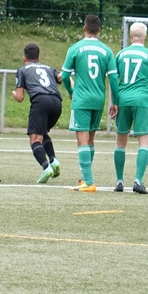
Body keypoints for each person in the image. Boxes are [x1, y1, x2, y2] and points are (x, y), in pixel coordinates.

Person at [62, 14, 119, 192]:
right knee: (91, 140)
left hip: (81, 99)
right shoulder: (107, 51)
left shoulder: (75, 48)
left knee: (82, 139)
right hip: (98, 100)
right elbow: (114, 79)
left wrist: (71, 92)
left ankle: (88, 181)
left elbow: (64, 75)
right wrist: (115, 102)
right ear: (99, 30)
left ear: (84, 29)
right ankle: (84, 178)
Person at [112, 22, 148, 194]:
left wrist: (115, 102)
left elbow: (114, 81)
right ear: (145, 36)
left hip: (123, 99)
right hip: (141, 101)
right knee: (143, 142)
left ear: (130, 36)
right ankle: (138, 180)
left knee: (120, 142)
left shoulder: (121, 55)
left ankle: (119, 181)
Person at [13, 43, 64, 184]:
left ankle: (46, 167)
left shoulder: (22, 70)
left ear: (24, 58)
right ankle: (53, 160)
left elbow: (20, 97)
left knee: (35, 138)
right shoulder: (48, 68)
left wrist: (13, 94)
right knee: (42, 133)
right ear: (38, 57)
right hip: (57, 102)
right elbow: (60, 77)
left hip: (40, 101)